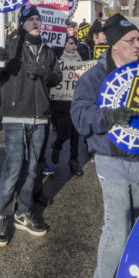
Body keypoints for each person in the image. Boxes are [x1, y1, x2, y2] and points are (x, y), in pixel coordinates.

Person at [71, 14, 139, 278]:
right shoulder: (94, 77)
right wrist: (110, 116)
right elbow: (80, 118)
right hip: (111, 159)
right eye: (131, 40)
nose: (138, 44)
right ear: (115, 44)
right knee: (117, 231)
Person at [0, 5, 62, 247]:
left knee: (33, 169)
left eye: (38, 19)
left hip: (40, 117)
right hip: (16, 115)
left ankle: (23, 212)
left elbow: (57, 77)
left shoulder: (47, 50)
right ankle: (1, 215)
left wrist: (45, 74)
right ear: (22, 23)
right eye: (31, 19)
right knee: (14, 166)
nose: (36, 22)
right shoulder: (11, 45)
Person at [50, 35, 84, 176]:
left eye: (75, 43)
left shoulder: (80, 60)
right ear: (64, 45)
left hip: (75, 102)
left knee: (76, 133)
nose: (74, 46)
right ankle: (57, 145)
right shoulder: (58, 60)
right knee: (64, 132)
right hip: (61, 103)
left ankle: (74, 160)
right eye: (70, 43)